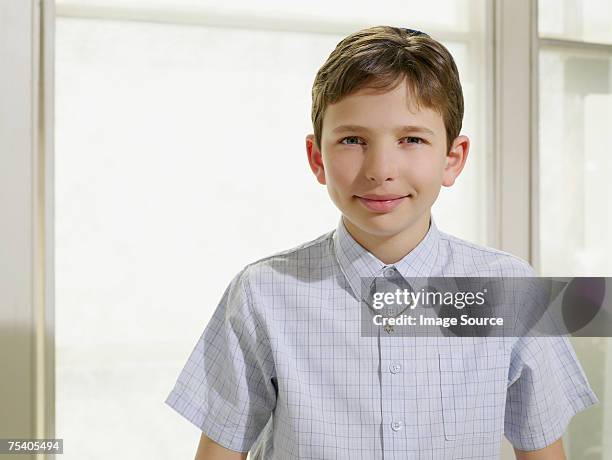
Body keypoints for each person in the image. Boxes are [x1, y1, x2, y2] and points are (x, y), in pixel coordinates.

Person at [165, 25, 598, 459]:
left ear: (453, 159)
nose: (380, 169)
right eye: (353, 140)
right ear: (318, 158)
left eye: (411, 139)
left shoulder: (509, 290)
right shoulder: (263, 294)